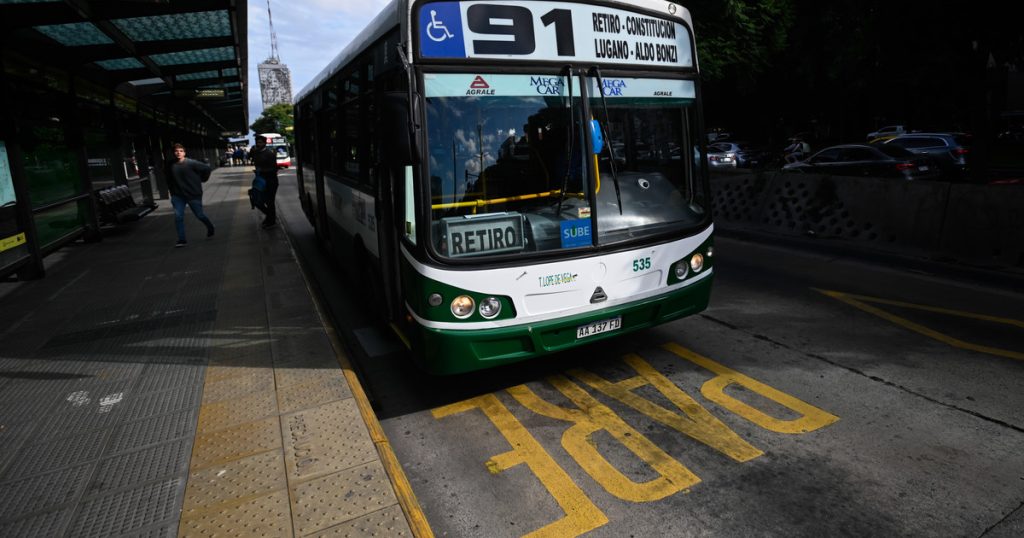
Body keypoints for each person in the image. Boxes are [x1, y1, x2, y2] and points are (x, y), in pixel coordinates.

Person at [168, 143, 214, 247]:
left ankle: (210, 227)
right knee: (178, 216)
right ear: (173, 153)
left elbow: (207, 169)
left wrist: (203, 179)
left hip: (193, 194)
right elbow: (168, 177)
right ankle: (182, 239)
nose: (178, 153)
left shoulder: (192, 163)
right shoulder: (170, 164)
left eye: (180, 151)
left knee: (199, 215)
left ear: (184, 152)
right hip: (178, 195)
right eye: (176, 151)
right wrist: (172, 190)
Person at [249, 136, 278, 228]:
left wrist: (261, 171)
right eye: (257, 142)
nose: (259, 144)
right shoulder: (256, 153)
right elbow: (252, 158)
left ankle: (271, 220)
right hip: (260, 181)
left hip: (271, 181)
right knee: (257, 201)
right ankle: (270, 216)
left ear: (265, 143)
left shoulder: (270, 154)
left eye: (261, 142)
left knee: (270, 202)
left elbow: (274, 169)